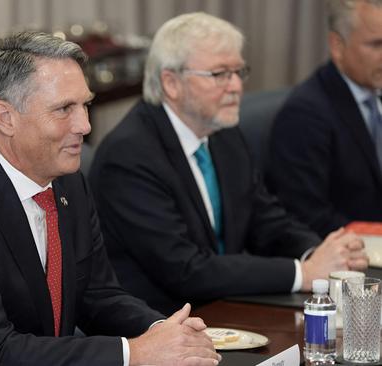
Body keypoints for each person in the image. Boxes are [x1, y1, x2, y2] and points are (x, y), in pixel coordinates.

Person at [0, 31, 221, 366]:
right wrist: (136, 354)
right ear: (6, 117)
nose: (85, 125)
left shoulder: (68, 184)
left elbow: (97, 295)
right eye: (64, 109)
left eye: (85, 105)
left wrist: (163, 331)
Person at [88, 12, 369, 315]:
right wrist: (303, 273)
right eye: (220, 74)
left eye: (238, 72)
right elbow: (186, 270)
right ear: (171, 82)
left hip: (226, 308)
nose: (236, 86)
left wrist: (322, 254)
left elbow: (266, 221)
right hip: (162, 323)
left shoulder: (223, 133)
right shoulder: (129, 157)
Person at [267, 0, 382, 237]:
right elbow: (305, 215)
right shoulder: (304, 114)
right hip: (347, 260)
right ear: (337, 45)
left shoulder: (375, 89)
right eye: (377, 44)